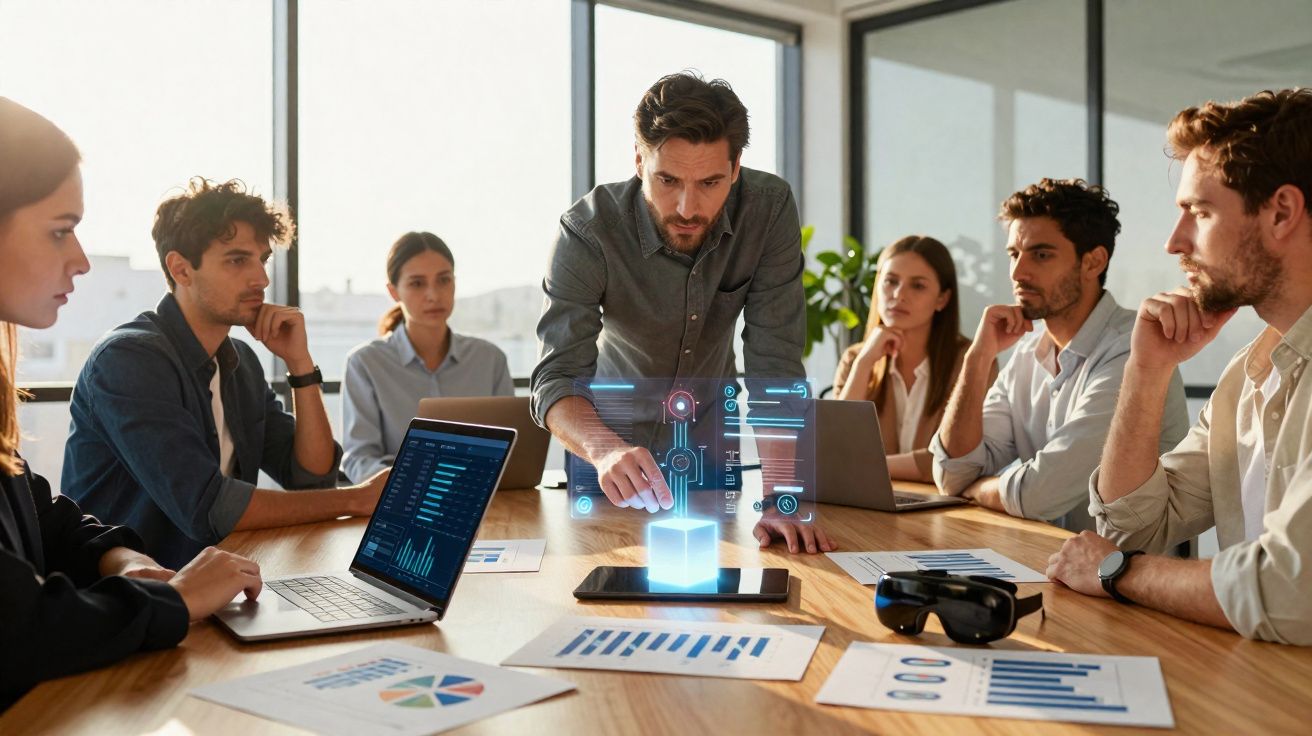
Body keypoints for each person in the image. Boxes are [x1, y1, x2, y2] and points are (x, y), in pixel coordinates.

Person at [0, 97, 262, 710]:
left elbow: (36, 509)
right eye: (60, 230)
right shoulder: (132, 358)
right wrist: (175, 600)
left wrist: (118, 557)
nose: (81, 259)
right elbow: (16, 627)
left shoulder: (241, 363)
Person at [1048, 88, 1312, 645]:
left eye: (1200, 212)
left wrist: (1118, 572)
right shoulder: (1249, 374)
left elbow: (1292, 592)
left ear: (1282, 212)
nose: (1174, 242)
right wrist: (1147, 370)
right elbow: (1134, 524)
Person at [531, 72, 832, 554]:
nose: (688, 208)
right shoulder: (588, 231)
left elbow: (774, 364)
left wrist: (781, 496)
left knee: (728, 583)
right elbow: (556, 377)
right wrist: (605, 450)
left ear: (735, 168)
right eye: (668, 180)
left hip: (710, 451)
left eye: (710, 182)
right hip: (609, 457)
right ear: (639, 160)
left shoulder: (768, 210)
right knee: (602, 586)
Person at [63, 178, 389, 569]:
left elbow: (311, 477)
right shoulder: (129, 359)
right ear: (181, 269)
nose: (261, 279)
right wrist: (356, 498)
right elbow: (208, 508)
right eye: (237, 260)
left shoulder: (241, 362)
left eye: (262, 260)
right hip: (131, 595)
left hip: (223, 582)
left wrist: (300, 364)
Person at [930, 178, 1190, 531]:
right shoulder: (1025, 353)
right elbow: (952, 473)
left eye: (1041, 255)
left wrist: (975, 490)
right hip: (1046, 556)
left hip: (1126, 565)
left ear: (1093, 262)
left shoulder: (1132, 349)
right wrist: (978, 358)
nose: (1018, 272)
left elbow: (1039, 496)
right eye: (1014, 254)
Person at [341, 231, 513, 483]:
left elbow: (512, 452)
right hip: (402, 498)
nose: (433, 294)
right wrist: (407, 482)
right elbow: (359, 460)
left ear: (455, 283)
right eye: (417, 283)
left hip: (481, 497)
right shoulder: (365, 363)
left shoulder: (490, 360)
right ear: (394, 292)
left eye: (443, 280)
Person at [833, 235, 994, 482]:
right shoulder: (856, 358)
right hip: (869, 498)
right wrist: (864, 363)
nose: (899, 295)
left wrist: (867, 465)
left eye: (917, 286)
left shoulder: (972, 362)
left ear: (942, 299)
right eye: (890, 281)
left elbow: (956, 461)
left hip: (943, 503)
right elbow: (836, 449)